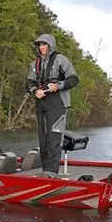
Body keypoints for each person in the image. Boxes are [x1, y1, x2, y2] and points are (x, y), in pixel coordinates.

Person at [25, 33, 80, 175]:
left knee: (54, 138)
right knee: (43, 138)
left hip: (58, 103)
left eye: (44, 44)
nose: (42, 47)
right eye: (40, 45)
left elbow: (74, 79)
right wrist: (35, 90)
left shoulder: (61, 60)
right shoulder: (34, 64)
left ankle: (51, 172)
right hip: (41, 103)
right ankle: (46, 170)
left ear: (50, 45)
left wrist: (58, 85)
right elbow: (29, 82)